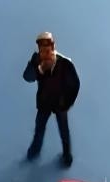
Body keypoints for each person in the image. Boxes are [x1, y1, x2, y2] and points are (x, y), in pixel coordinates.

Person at [23, 31, 80, 166]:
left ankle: (67, 156)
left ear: (53, 48)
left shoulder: (65, 63)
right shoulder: (36, 61)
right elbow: (27, 77)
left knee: (64, 131)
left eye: (47, 50)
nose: (45, 54)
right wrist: (39, 69)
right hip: (44, 103)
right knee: (39, 129)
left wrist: (67, 103)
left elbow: (75, 85)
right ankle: (34, 151)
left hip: (60, 104)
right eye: (42, 51)